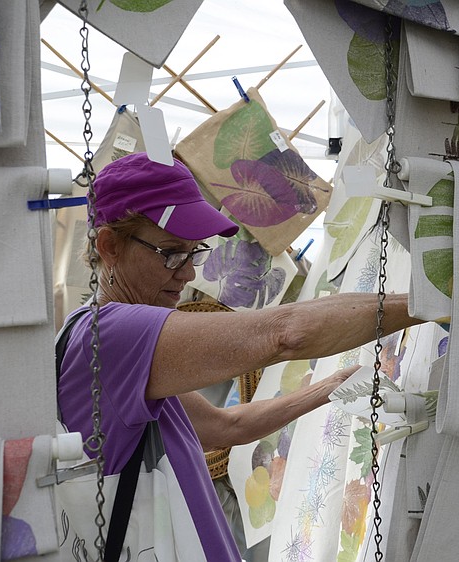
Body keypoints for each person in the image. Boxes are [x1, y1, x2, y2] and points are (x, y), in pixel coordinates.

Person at [56, 151, 422, 561]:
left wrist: (328, 387)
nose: (188, 273)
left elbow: (226, 426)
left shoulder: (97, 339)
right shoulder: (110, 335)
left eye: (194, 253)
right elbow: (284, 334)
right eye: (172, 253)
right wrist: (429, 303)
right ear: (109, 246)